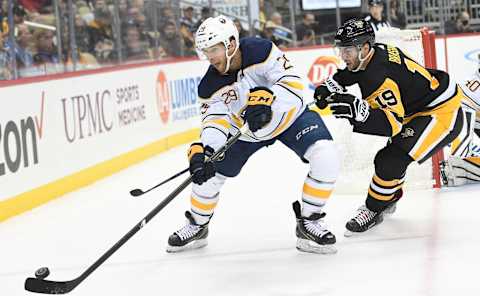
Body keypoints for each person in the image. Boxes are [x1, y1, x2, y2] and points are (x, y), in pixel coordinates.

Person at [167, 15, 340, 254]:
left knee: (326, 155)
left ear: (230, 44)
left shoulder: (262, 50)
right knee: (208, 174)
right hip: (247, 132)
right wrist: (206, 150)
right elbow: (215, 122)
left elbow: (293, 85)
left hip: (291, 118)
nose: (209, 57)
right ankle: (198, 225)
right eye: (206, 51)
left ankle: (309, 221)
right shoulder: (209, 85)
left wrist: (270, 103)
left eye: (213, 49)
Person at [314, 18, 468, 235]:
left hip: (442, 113)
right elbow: (354, 72)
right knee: (391, 161)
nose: (342, 56)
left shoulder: (379, 78)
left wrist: (357, 112)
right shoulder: (375, 53)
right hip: (422, 107)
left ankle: (375, 208)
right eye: (341, 50)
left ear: (364, 48)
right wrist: (331, 85)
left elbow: (392, 125)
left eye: (347, 50)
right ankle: (390, 194)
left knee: (390, 160)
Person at [441, 57, 480, 186]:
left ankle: (458, 167)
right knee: (456, 166)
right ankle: (456, 168)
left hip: (461, 108)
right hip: (458, 109)